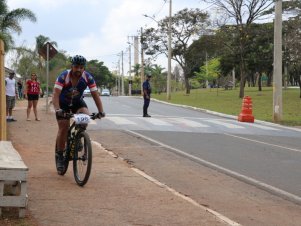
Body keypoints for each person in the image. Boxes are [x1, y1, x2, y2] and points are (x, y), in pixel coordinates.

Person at [52, 55, 105, 174]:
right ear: (72, 66)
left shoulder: (88, 77)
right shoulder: (63, 76)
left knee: (85, 118)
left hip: (77, 103)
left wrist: (101, 111)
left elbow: (95, 94)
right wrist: (57, 109)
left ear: (84, 68)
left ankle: (78, 136)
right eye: (76, 67)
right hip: (63, 104)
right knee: (63, 128)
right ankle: (60, 155)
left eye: (81, 67)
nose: (79, 70)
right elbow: (55, 94)